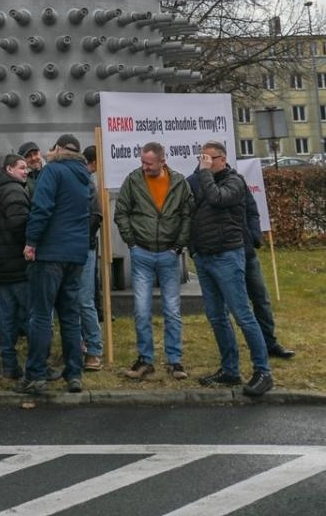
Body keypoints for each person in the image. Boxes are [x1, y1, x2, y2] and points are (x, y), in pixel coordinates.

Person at [187, 141, 274, 398]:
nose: (203, 161)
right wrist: (193, 248)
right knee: (216, 316)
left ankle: (263, 371)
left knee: (242, 314)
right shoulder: (201, 180)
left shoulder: (234, 182)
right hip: (204, 257)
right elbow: (193, 212)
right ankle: (230, 369)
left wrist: (203, 173)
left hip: (226, 255)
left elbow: (217, 199)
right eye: (201, 157)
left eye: (208, 158)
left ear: (222, 160)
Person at [18, 133, 91, 395]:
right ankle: (74, 374)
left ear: (58, 149)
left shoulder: (53, 172)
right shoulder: (84, 176)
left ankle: (36, 375)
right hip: (75, 255)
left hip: (50, 253)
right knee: (70, 316)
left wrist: (31, 241)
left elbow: (42, 208)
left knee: (40, 315)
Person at [114, 141, 192, 381]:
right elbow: (121, 212)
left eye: (149, 163)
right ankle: (145, 360)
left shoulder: (179, 182)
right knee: (141, 309)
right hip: (143, 254)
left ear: (162, 160)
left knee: (172, 310)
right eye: (142, 162)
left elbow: (187, 215)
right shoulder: (133, 180)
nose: (144, 167)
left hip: (169, 254)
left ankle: (174, 361)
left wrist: (178, 246)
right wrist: (132, 243)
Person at [0, 154, 30, 379]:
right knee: (32, 318)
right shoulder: (14, 191)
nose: (26, 171)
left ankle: (10, 367)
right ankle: (37, 364)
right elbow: (19, 224)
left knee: (7, 321)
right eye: (22, 168)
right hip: (18, 266)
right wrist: (31, 245)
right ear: (9, 169)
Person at [242, 185, 295, 360]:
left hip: (247, 251)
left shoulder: (236, 180)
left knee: (261, 298)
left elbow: (252, 211)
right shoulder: (199, 182)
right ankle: (248, 347)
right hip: (222, 255)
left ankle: (269, 343)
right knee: (236, 307)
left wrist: (255, 237)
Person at [78, 146, 104, 372]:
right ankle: (78, 345)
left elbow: (96, 215)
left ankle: (94, 348)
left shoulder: (87, 183)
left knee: (84, 300)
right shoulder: (75, 179)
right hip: (73, 248)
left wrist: (80, 239)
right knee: (74, 300)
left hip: (83, 248)